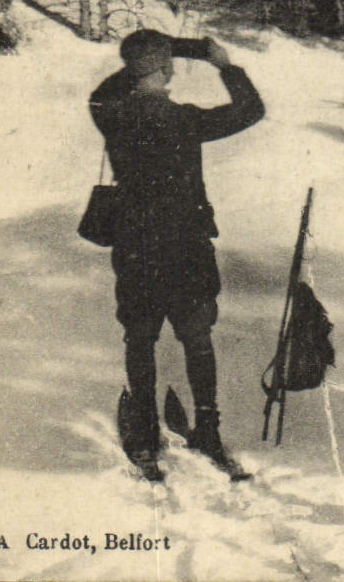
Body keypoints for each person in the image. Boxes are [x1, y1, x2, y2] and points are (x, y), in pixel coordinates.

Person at [88, 30, 265, 481]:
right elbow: (251, 110)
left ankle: (146, 434)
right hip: (185, 248)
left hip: (135, 248)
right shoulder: (183, 119)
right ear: (166, 72)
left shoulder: (111, 113)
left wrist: (160, 53)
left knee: (140, 339)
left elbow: (103, 91)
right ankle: (207, 428)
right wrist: (219, 61)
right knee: (198, 340)